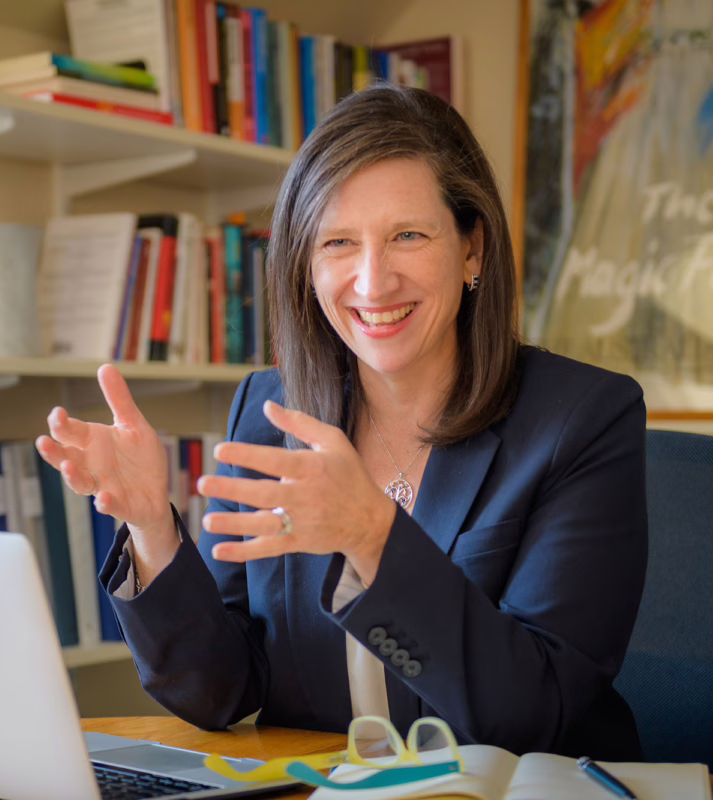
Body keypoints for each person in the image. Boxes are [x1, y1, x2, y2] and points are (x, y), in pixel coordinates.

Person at [36, 85, 648, 760]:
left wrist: (373, 536)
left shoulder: (581, 420)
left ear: (472, 249)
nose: (372, 281)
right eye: (337, 242)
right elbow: (222, 691)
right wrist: (152, 526)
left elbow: (534, 714)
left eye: (408, 236)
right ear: (304, 265)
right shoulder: (271, 414)